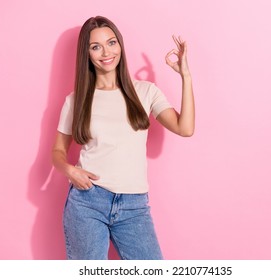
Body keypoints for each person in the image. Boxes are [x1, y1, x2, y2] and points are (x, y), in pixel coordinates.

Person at [52, 15, 195, 260]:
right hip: (87, 201)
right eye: (95, 47)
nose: (106, 52)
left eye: (111, 42)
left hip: (134, 206)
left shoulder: (146, 91)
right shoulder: (76, 100)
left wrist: (186, 76)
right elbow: (57, 152)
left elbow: (185, 128)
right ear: (86, 54)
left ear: (120, 45)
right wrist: (69, 170)